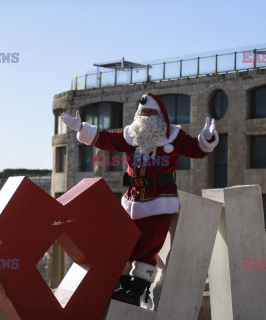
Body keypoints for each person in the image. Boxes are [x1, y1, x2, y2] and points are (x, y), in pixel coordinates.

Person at [61, 93, 219, 306]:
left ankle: (137, 291)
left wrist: (206, 138)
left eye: (150, 112)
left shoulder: (173, 135)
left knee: (147, 248)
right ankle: (123, 286)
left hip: (159, 202)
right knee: (126, 245)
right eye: (142, 112)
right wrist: (82, 128)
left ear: (160, 115)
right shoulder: (131, 135)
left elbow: (196, 150)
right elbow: (107, 138)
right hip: (132, 201)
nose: (146, 116)